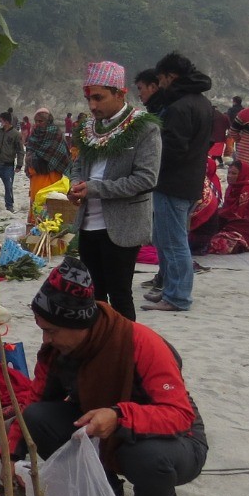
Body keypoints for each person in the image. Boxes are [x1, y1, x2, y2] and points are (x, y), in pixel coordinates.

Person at [11, 258, 207, 496]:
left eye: (51, 330)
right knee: (37, 418)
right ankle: (105, 487)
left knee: (142, 454)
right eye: (42, 329)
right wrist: (11, 457)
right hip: (100, 424)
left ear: (79, 325)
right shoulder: (57, 350)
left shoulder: (140, 342)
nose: (46, 339)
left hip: (177, 439)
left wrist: (119, 416)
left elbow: (178, 414)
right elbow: (35, 399)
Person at [68, 61, 162, 321]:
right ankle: (100, 347)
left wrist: (95, 189)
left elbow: (145, 179)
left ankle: (127, 350)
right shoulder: (89, 128)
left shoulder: (144, 128)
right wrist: (75, 186)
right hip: (88, 224)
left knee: (120, 294)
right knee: (94, 295)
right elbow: (78, 165)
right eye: (89, 99)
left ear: (120, 94)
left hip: (122, 226)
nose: (93, 106)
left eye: (99, 98)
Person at [145, 52, 212, 313]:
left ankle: (178, 296)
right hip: (189, 179)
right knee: (167, 239)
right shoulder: (200, 102)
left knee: (174, 242)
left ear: (171, 77)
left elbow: (172, 149)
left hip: (174, 182)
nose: (159, 84)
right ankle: (171, 288)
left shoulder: (180, 107)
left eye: (161, 79)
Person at [24, 107, 71, 224]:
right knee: (36, 204)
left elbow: (60, 156)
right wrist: (30, 162)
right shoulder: (34, 134)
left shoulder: (55, 134)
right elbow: (29, 152)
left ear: (48, 121)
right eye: (36, 121)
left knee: (50, 208)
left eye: (41, 121)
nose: (38, 124)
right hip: (36, 177)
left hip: (52, 178)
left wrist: (34, 162)